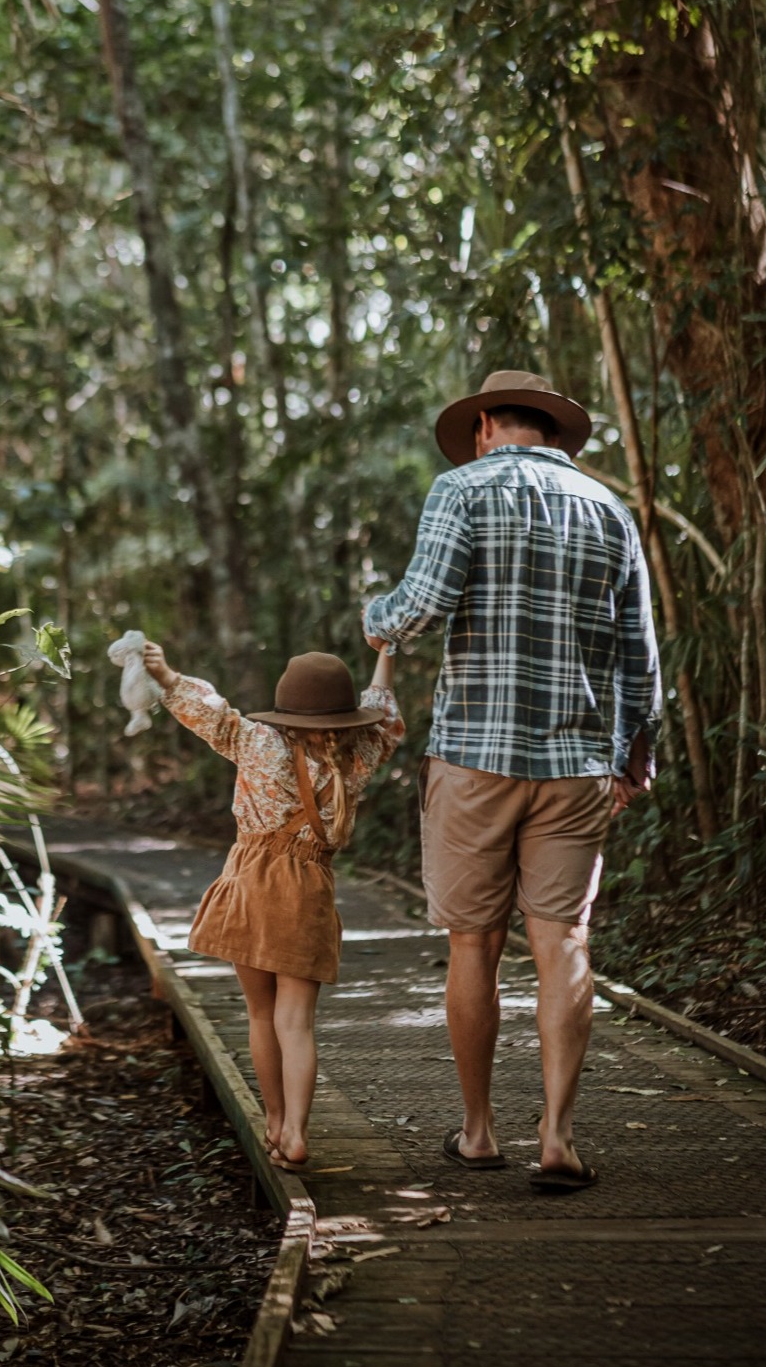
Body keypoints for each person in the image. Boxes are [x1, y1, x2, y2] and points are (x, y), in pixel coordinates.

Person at [362, 369, 661, 1194]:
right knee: (562, 939)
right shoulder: (608, 509)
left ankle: (478, 1130)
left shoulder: (459, 489)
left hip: (473, 758)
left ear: (485, 423)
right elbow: (639, 654)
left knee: (473, 943)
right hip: (577, 765)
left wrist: (374, 616)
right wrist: (633, 755)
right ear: (553, 431)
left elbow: (419, 607)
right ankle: (557, 1137)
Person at [142, 640, 404, 1170]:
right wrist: (387, 650)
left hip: (251, 883)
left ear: (286, 710)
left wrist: (166, 674)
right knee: (296, 1023)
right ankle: (300, 1133)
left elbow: (212, 715)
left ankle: (277, 1121)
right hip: (309, 889)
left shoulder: (259, 742)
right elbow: (387, 716)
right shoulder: (359, 754)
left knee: (260, 1015)